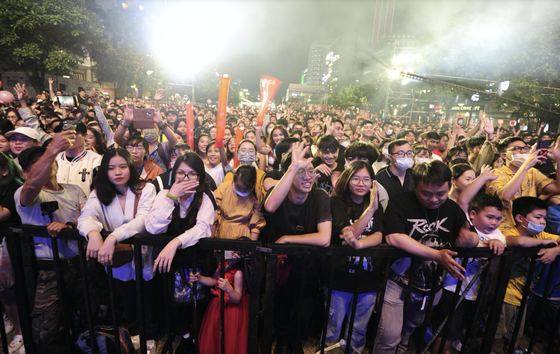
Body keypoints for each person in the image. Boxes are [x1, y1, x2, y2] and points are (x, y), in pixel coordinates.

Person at [373, 160, 479, 354]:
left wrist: (471, 239)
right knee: (389, 334)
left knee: (410, 327)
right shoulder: (400, 202)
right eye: (426, 193)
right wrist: (436, 254)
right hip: (398, 281)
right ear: (415, 185)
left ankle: (402, 349)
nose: (434, 200)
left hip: (432, 285)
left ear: (449, 185)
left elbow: (471, 236)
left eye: (441, 194)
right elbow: (394, 237)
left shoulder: (452, 208)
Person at [14, 133, 94, 351]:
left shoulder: (74, 189)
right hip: (48, 270)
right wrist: (50, 151)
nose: (45, 165)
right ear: (25, 172)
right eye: (36, 164)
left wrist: (70, 225)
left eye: (47, 160)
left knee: (89, 317)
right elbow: (32, 187)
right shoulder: (24, 194)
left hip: (79, 264)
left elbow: (88, 218)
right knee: (46, 330)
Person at [77, 149, 157, 353]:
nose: (117, 172)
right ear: (105, 171)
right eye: (111, 168)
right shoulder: (99, 193)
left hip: (143, 256)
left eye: (122, 166)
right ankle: (137, 333)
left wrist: (112, 236)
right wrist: (93, 233)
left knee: (148, 297)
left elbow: (142, 220)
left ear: (130, 167)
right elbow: (86, 217)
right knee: (127, 297)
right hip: (118, 260)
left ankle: (151, 336)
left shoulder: (145, 188)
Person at [263, 142, 331, 353]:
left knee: (304, 310)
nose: (307, 177)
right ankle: (282, 342)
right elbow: (269, 206)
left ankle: (294, 343)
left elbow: (324, 238)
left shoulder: (319, 196)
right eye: (300, 172)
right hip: (280, 265)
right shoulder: (280, 194)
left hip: (307, 265)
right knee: (279, 306)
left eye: (310, 171)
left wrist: (287, 239)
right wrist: (292, 168)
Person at [432, 193, 506, 354]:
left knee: (466, 328)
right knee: (448, 332)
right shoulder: (465, 225)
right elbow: (463, 201)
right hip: (452, 288)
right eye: (489, 217)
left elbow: (501, 246)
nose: (494, 222)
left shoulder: (498, 235)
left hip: (477, 292)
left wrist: (496, 243)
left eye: (498, 218)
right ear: (472, 214)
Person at [323, 161, 383, 353]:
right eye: (356, 178)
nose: (361, 183)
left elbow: (379, 235)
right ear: (347, 180)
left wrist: (360, 245)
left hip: (368, 277)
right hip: (339, 276)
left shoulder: (376, 205)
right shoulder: (335, 202)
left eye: (366, 179)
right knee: (333, 326)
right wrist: (370, 211)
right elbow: (348, 233)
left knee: (358, 329)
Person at [496, 197, 560, 353]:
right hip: (506, 292)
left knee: (516, 331)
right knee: (498, 331)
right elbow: (516, 242)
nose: (542, 222)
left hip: (524, 293)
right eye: (537, 217)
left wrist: (556, 250)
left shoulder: (540, 235)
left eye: (544, 218)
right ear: (520, 218)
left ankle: (513, 349)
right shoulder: (511, 231)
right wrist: (545, 244)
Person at [146, 151, 217, 273]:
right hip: (169, 265)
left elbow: (202, 228)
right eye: (181, 173)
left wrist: (175, 242)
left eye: (192, 174)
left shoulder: (206, 196)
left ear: (200, 176)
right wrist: (171, 197)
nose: (185, 179)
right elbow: (152, 228)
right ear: (174, 174)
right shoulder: (164, 194)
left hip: (198, 265)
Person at [486, 136, 560, 231]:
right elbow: (505, 196)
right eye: (517, 149)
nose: (523, 151)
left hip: (530, 228)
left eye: (525, 148)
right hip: (504, 228)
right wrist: (525, 166)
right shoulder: (495, 173)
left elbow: (557, 188)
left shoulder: (532, 172)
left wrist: (558, 161)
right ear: (504, 155)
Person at [189, 247, 249, 354]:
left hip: (231, 310)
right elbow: (214, 280)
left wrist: (229, 288)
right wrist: (200, 278)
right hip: (217, 305)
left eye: (237, 253)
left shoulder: (238, 273)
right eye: (233, 251)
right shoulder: (223, 263)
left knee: (228, 337)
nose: (233, 254)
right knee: (215, 336)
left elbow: (237, 298)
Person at [0, 153, 25, 353]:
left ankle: (22, 333)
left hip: (12, 249)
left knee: (13, 293)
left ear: (4, 171)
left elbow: (2, 214)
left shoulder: (14, 188)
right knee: (4, 294)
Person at [214, 164, 265, 240]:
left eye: (245, 189)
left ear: (253, 184)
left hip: (244, 236)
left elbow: (256, 224)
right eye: (238, 187)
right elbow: (214, 216)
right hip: (222, 234)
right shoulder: (223, 188)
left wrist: (251, 246)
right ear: (234, 180)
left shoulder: (257, 195)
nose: (241, 191)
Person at [53, 120, 102, 197]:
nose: (68, 138)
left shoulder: (96, 160)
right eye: (64, 134)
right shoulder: (54, 158)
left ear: (85, 136)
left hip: (86, 207)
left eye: (73, 134)